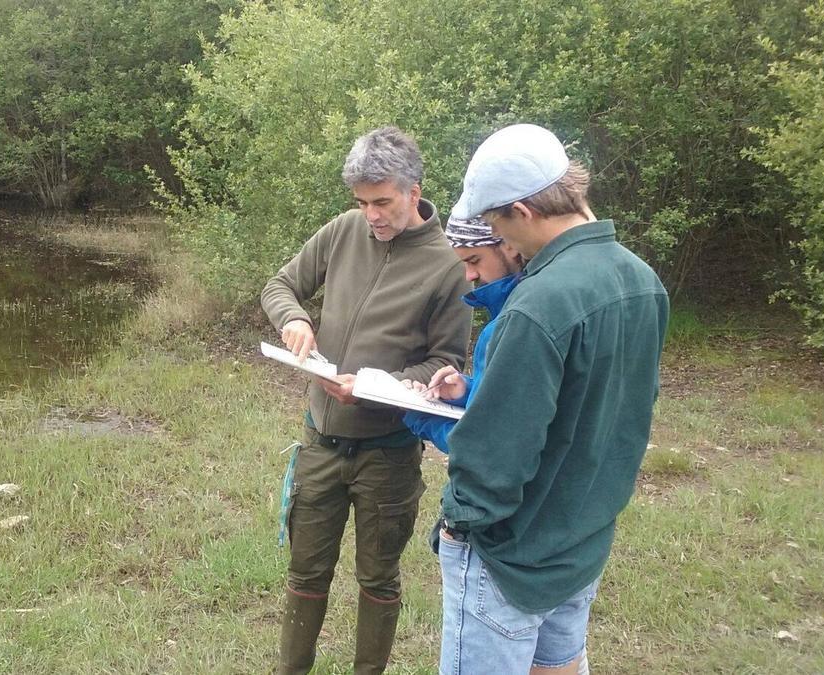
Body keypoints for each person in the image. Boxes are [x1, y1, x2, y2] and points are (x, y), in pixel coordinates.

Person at [422, 123, 669, 674]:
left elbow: (495, 453)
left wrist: (459, 527)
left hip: (512, 555)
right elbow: (621, 415)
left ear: (521, 211)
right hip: (581, 537)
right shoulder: (642, 280)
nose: (500, 239)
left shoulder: (538, 304)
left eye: (493, 223)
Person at [261, 126, 472, 674]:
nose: (371, 215)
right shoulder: (343, 232)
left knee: (378, 577)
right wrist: (295, 319)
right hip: (320, 443)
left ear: (413, 190)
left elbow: (447, 365)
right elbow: (280, 285)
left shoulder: (448, 265)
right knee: (306, 572)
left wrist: (376, 384)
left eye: (382, 202)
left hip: (387, 452)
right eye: (362, 202)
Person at [400, 215, 523, 455]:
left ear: (508, 246)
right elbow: (510, 402)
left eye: (474, 260)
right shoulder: (513, 307)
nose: (469, 276)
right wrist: (465, 391)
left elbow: (479, 444)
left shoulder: (512, 324)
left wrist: (419, 416)